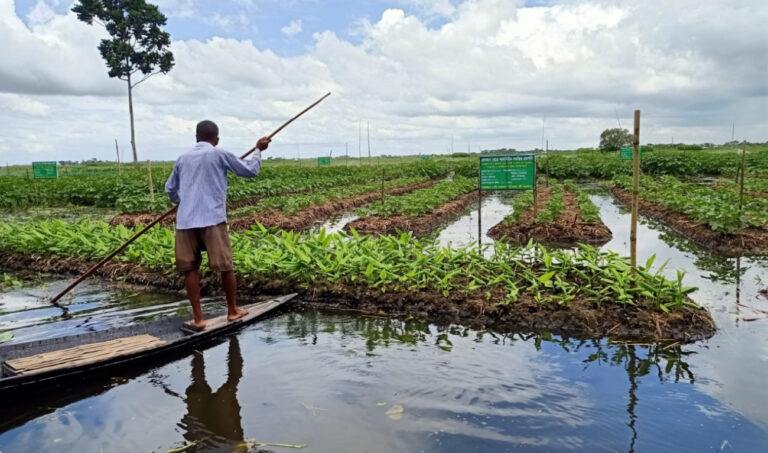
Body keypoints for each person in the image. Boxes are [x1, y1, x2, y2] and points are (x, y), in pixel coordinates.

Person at [165, 120, 270, 329]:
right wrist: (258, 150)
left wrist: (182, 201)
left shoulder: (183, 158)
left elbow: (170, 189)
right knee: (225, 267)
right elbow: (250, 171)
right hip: (212, 219)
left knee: (190, 269)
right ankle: (232, 311)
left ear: (196, 137)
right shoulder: (219, 153)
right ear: (217, 139)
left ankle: (198, 319)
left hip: (186, 221)